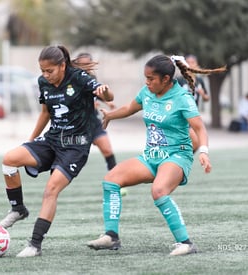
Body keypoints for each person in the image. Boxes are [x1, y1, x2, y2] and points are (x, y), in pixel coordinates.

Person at [87, 54, 226, 256]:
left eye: (151, 79)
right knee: (111, 180)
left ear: (166, 80)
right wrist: (110, 115)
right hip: (151, 156)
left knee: (159, 190)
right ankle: (111, 236)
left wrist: (203, 152)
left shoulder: (182, 99)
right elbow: (129, 108)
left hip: (177, 156)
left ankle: (186, 243)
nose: (147, 82)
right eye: (146, 78)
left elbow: (200, 129)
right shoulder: (148, 92)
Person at [0, 45, 114, 257]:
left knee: (51, 189)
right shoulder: (43, 82)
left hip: (75, 146)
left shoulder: (79, 78)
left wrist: (104, 90)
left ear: (62, 66)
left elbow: (109, 97)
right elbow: (45, 112)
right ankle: (18, 209)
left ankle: (34, 244)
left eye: (49, 71)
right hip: (51, 140)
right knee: (9, 159)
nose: (45, 75)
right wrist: (31, 141)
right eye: (42, 71)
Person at [72, 52, 117, 170]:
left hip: (93, 123)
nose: (85, 67)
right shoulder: (71, 79)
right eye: (82, 64)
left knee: (107, 150)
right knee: (72, 158)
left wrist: (107, 102)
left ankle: (115, 181)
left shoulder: (92, 78)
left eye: (87, 64)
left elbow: (97, 94)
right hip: (77, 126)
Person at [177, 54, 210, 152]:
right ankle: (179, 159)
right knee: (193, 141)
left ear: (197, 65)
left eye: (193, 62)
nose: (190, 65)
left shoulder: (199, 81)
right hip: (181, 116)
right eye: (188, 62)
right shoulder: (180, 80)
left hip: (193, 115)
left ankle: (182, 159)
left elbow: (207, 98)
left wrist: (203, 95)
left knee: (196, 143)